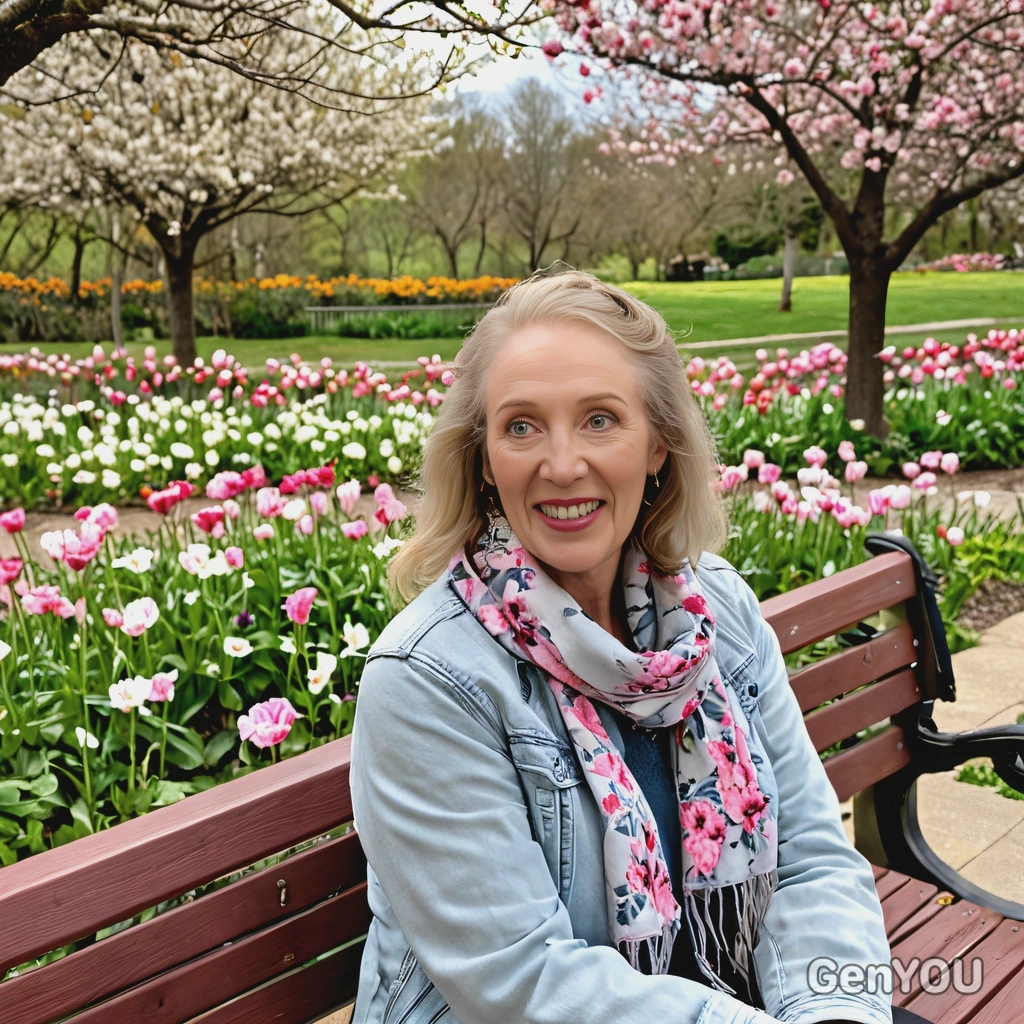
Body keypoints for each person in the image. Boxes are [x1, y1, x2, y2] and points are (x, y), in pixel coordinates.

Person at [349, 266, 926, 1024]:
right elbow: (522, 981)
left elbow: (811, 864)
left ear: (658, 444)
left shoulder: (717, 610)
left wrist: (833, 1011)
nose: (561, 464)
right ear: (484, 458)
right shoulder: (427, 680)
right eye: (521, 426)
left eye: (599, 419)